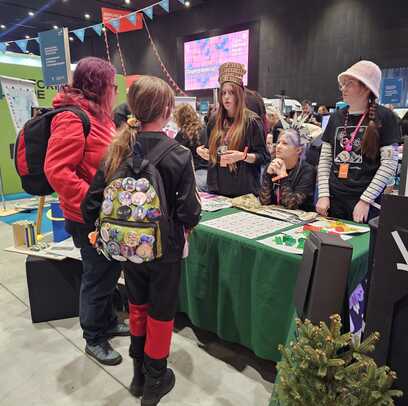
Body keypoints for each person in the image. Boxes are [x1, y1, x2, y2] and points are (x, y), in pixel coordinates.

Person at [81, 76, 201, 405]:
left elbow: (90, 204)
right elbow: (190, 212)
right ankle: (155, 382)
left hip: (128, 249)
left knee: (137, 307)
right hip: (165, 249)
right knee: (161, 314)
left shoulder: (117, 150)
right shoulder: (179, 154)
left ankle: (137, 376)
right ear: (167, 110)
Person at [44, 57, 129, 365]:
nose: (115, 90)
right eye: (112, 85)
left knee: (108, 272)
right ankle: (93, 337)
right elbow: (57, 170)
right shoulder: (72, 118)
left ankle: (107, 322)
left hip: (102, 215)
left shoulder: (99, 116)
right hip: (87, 217)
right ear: (98, 86)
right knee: (96, 276)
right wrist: (92, 202)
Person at [316, 60, 400, 223]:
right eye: (342, 84)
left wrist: (365, 200)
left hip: (366, 203)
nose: (343, 88)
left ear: (366, 87)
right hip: (334, 200)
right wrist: (323, 195)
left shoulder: (385, 116)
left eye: (349, 84)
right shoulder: (335, 117)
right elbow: (325, 160)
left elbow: (389, 164)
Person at [197, 62, 269, 197]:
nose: (226, 97)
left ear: (239, 95)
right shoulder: (214, 121)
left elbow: (264, 157)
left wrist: (243, 156)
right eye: (223, 93)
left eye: (231, 92)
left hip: (243, 193)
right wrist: (203, 152)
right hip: (217, 191)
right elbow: (209, 150)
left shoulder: (252, 121)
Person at [259, 128, 316, 211]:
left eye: (285, 143)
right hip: (275, 214)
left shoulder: (307, 171)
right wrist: (268, 176)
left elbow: (292, 204)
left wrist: (283, 177)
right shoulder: (272, 166)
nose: (278, 146)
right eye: (278, 142)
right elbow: (264, 202)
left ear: (298, 150)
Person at [174, 103, 208, 191]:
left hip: (194, 174)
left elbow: (175, 154)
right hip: (208, 174)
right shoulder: (204, 128)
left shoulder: (183, 134)